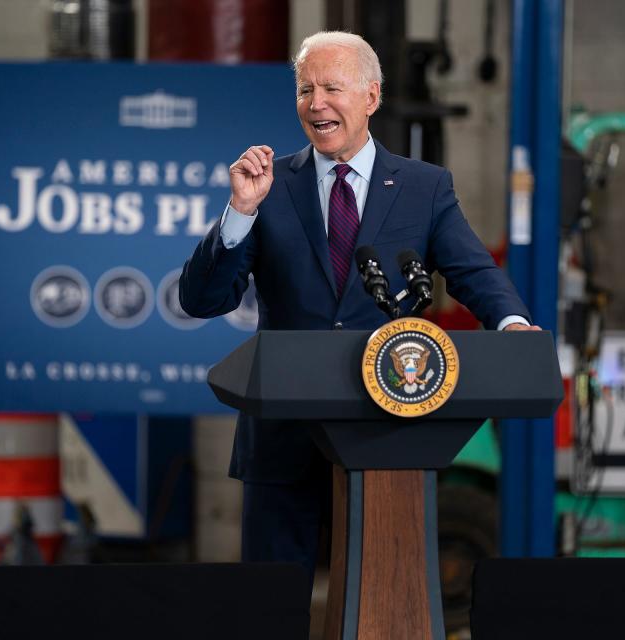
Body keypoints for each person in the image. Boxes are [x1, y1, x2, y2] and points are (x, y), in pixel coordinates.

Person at [179, 31, 539, 583]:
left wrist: (512, 324)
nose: (315, 103)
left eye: (331, 87)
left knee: (385, 594)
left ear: (372, 96)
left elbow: (473, 271)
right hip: (283, 437)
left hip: (388, 431)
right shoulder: (268, 188)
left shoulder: (425, 187)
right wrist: (239, 210)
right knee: (269, 602)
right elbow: (202, 300)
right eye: (304, 91)